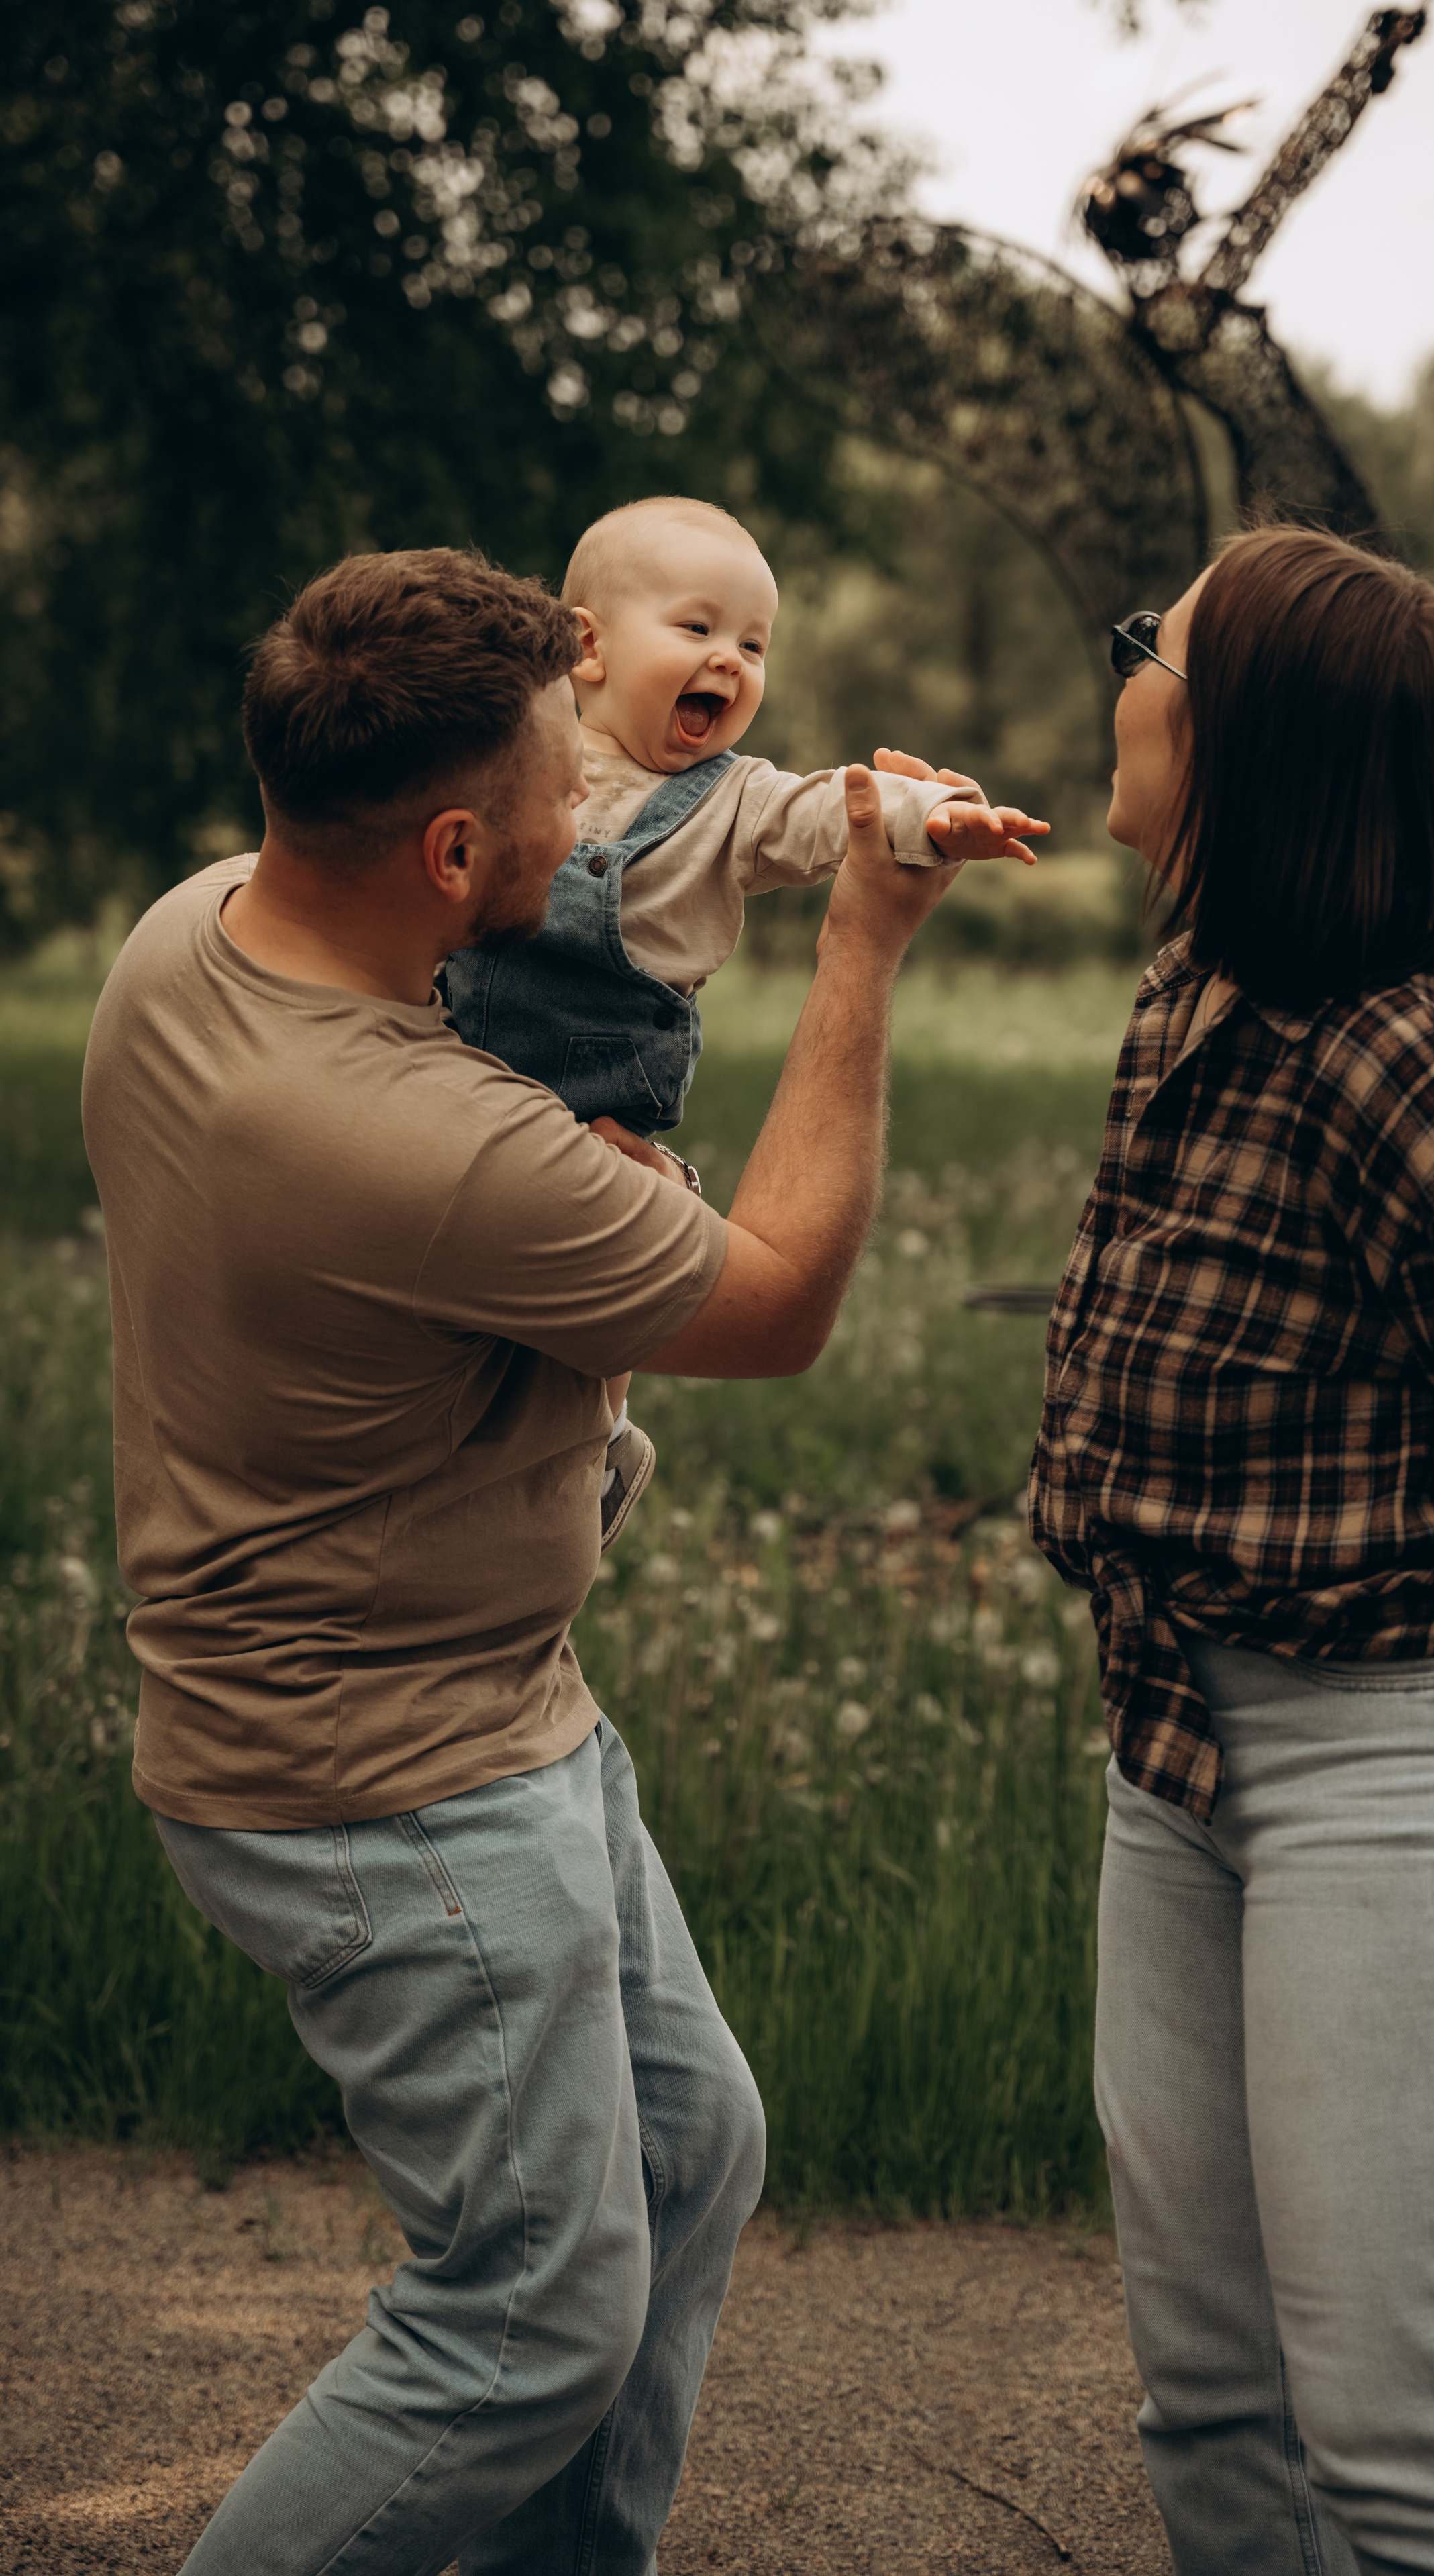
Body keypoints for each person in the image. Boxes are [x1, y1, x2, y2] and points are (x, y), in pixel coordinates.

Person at [80, 544, 971, 2576]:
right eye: (560, 799)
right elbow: (778, 1302)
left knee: (684, 2147)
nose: (593, 827)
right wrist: (861, 943)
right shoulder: (442, 1141)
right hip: (391, 1779)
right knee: (525, 2316)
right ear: (462, 840)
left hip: (469, 1700)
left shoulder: (186, 939)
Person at [1029, 526, 1434, 2576]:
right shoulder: (1192, 990)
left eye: (1158, 644)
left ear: (1253, 738)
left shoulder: (1420, 1066)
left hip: (1404, 1757)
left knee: (1406, 2438)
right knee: (1215, 2399)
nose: (1123, 667)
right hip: (1179, 1741)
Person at [442, 493, 1045, 1548]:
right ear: (586, 645)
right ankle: (486, 1472)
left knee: (598, 1290)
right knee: (465, 1330)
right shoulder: (521, 758)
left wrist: (932, 821)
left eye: (754, 644)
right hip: (455, 1073)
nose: (731, 659)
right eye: (697, 628)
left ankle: (598, 1447)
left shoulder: (731, 804)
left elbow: (832, 809)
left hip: (596, 1112)